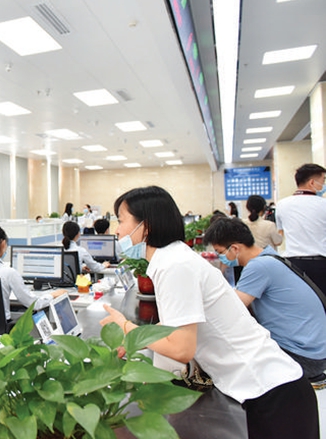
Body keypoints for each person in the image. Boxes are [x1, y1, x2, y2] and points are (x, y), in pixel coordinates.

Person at [100, 186, 318, 439]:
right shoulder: (173, 260)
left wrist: (126, 327)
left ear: (145, 227)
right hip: (269, 389)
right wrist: (137, 339)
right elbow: (177, 323)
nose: (117, 230)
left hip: (274, 392)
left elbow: (182, 348)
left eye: (121, 220)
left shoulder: (174, 266)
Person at [203, 218, 326, 390]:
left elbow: (232, 309)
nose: (221, 258)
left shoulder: (258, 266)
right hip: (315, 353)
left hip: (302, 358)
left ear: (235, 248)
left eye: (220, 252)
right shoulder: (270, 256)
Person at [0, 225, 66, 321]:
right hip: (2, 329)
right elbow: (34, 304)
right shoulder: (9, 272)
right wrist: (52, 295)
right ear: (3, 244)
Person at [276, 163, 326, 296]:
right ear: (312, 182)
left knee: (301, 300)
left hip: (293, 264)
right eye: (323, 180)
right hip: (321, 264)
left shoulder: (281, 204)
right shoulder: (324, 204)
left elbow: (280, 233)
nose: (324, 185)